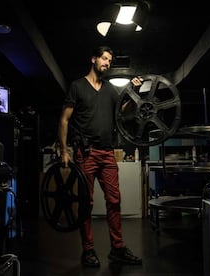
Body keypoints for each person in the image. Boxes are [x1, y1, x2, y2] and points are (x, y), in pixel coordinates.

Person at [58, 45, 143, 267]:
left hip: (106, 153)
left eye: (110, 61)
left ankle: (117, 248)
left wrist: (133, 93)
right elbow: (64, 120)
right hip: (85, 153)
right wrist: (64, 150)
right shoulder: (77, 86)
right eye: (104, 59)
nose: (107, 63)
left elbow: (123, 113)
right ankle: (88, 250)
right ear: (93, 59)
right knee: (86, 203)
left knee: (114, 200)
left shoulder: (109, 90)